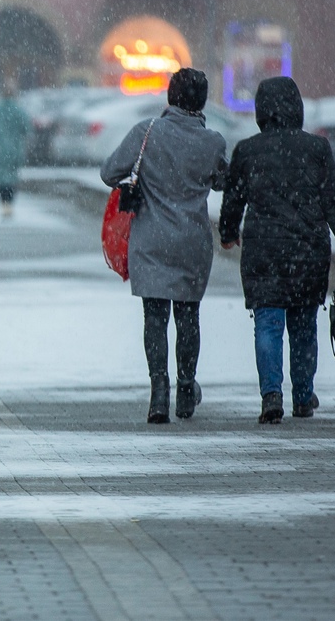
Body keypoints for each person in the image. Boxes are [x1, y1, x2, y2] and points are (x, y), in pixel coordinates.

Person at [218, 76, 335, 424]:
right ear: (297, 108)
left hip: (262, 252)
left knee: (268, 324)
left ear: (260, 111)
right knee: (303, 327)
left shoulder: (247, 150)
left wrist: (227, 233)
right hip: (307, 251)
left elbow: (233, 200)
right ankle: (302, 396)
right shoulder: (316, 149)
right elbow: (333, 203)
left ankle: (271, 396)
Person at [100, 68, 228, 424]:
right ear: (201, 100)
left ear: (171, 96)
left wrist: (143, 177)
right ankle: (186, 387)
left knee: (154, 318)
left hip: (151, 241)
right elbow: (221, 181)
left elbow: (109, 173)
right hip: (192, 241)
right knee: (188, 317)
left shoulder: (147, 132)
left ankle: (159, 392)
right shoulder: (214, 141)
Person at [0, 80, 30, 218]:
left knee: (0, 178)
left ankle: (4, 203)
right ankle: (10, 203)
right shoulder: (19, 111)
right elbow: (27, 129)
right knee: (12, 178)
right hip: (15, 150)